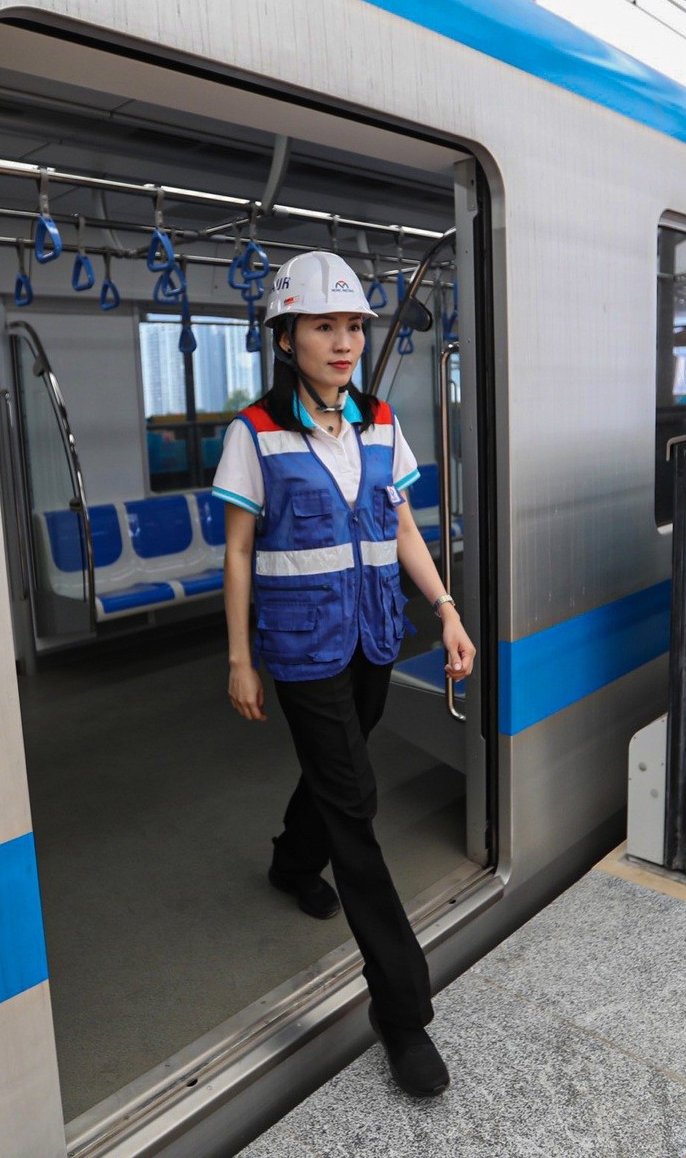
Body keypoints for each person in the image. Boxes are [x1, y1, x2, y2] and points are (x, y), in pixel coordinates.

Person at [211, 250, 475, 1098]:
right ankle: (403, 1014)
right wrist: (240, 660)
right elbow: (240, 553)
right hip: (297, 649)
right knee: (357, 809)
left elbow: (400, 526)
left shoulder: (381, 420)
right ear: (286, 339)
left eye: (354, 324)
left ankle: (292, 860)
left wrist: (444, 607)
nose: (345, 340)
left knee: (338, 777)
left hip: (371, 638)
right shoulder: (254, 433)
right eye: (325, 325)